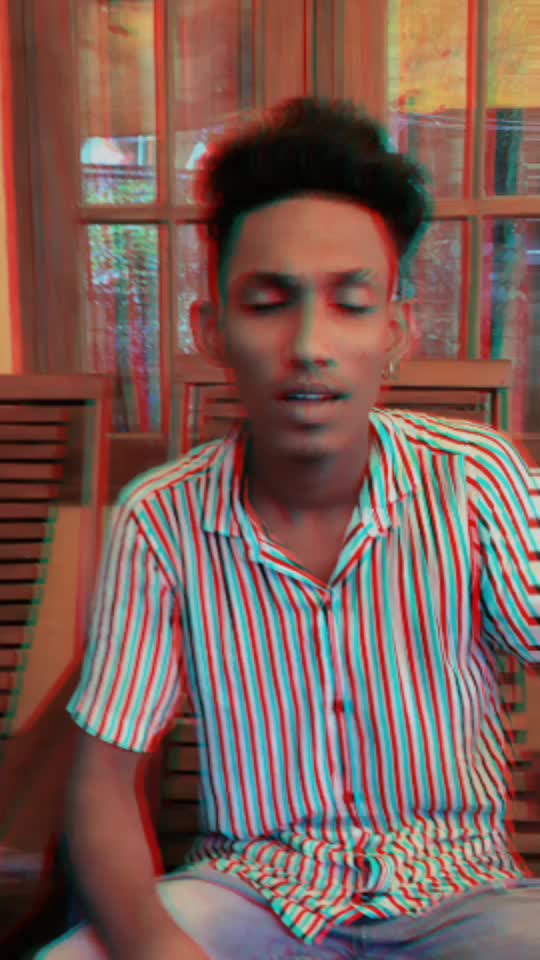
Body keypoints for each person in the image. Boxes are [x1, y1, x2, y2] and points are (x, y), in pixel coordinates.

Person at [38, 98, 540, 959]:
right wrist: (157, 949)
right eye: (270, 303)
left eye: (351, 304)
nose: (309, 344)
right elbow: (103, 782)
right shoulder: (160, 520)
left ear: (396, 331)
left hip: (463, 892)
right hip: (251, 893)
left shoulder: (475, 479)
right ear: (212, 331)